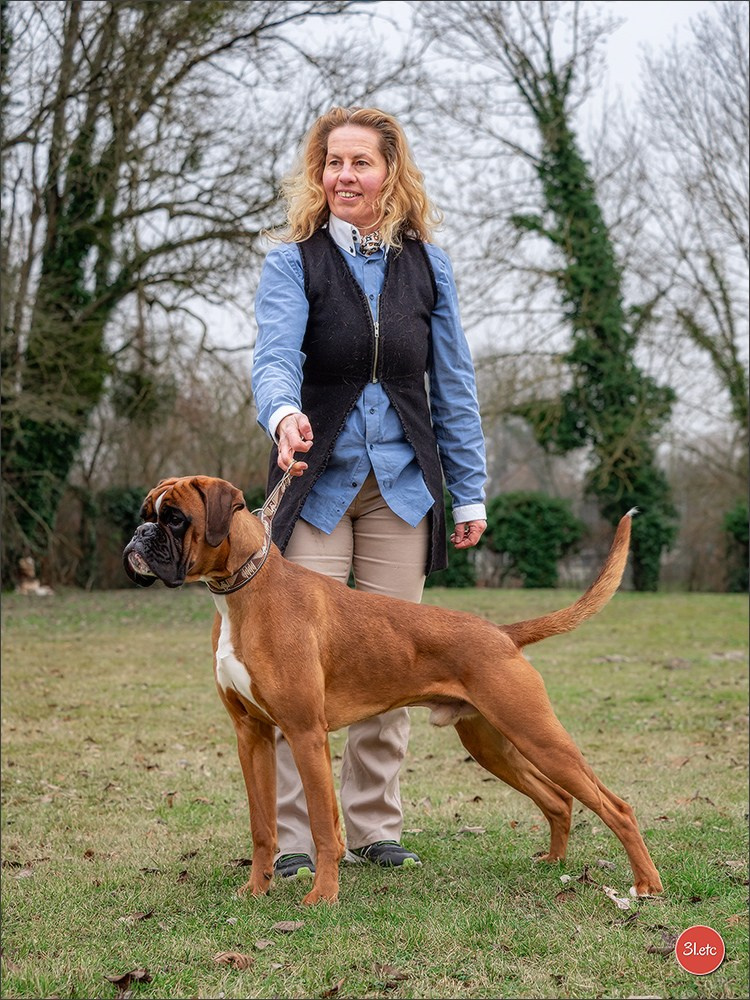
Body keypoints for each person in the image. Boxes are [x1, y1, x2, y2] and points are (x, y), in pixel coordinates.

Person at [251, 106, 487, 880]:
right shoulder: (294, 262)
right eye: (332, 162)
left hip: (404, 490)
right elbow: (274, 359)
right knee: (297, 669)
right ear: (318, 176)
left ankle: (375, 825)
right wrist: (284, 414)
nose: (345, 176)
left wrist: (471, 491)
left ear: (391, 173)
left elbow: (452, 384)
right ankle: (295, 842)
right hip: (315, 485)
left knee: (394, 659)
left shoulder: (431, 266)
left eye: (361, 162)